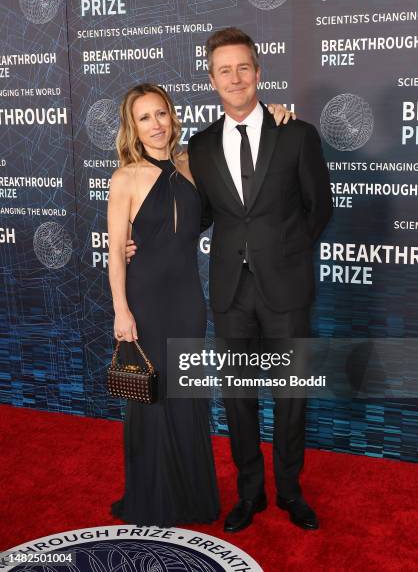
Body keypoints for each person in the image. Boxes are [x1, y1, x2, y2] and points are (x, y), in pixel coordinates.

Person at [126, 27, 333, 532]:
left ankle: (290, 491)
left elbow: (319, 208)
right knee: (239, 400)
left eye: (244, 67)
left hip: (286, 290)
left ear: (258, 73)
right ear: (213, 80)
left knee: (291, 397)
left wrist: (281, 253)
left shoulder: (297, 134)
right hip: (229, 294)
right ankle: (250, 493)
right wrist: (142, 243)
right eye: (224, 70)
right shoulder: (199, 147)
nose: (235, 77)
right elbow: (192, 216)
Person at [108, 82, 294, 527]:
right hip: (146, 297)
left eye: (161, 114)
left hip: (189, 298)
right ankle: (154, 495)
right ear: (132, 128)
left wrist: (276, 116)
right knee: (153, 395)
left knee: (186, 395)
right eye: (144, 118)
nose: (155, 125)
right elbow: (116, 250)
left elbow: (241, 150)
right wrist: (121, 309)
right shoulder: (125, 177)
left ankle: (190, 492)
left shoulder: (193, 162)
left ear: (172, 117)